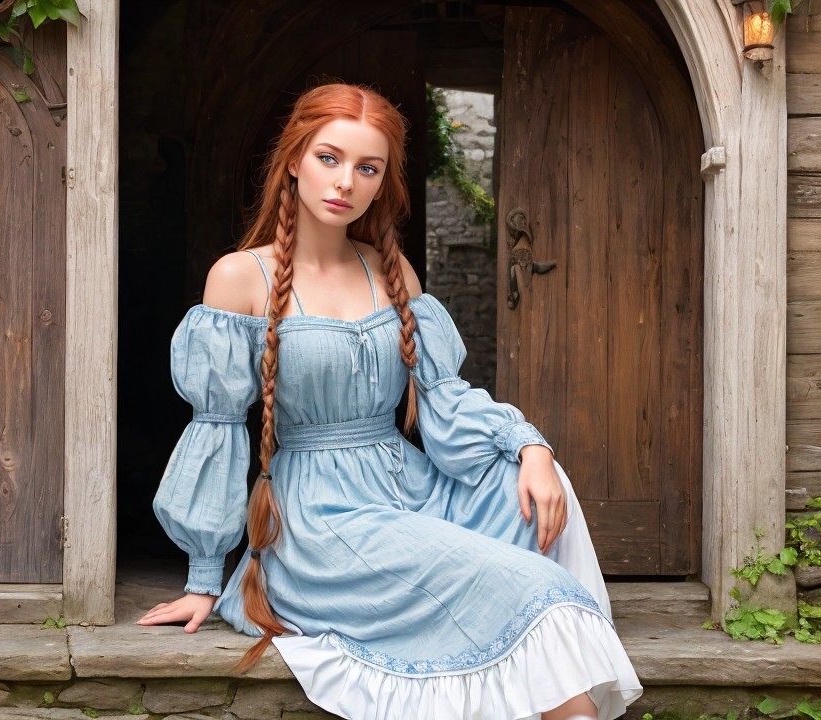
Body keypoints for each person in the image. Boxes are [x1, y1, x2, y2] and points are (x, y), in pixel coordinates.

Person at [137, 83, 642, 720]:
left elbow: (444, 402)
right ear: (294, 160)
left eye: (367, 167)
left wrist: (530, 444)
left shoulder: (392, 272)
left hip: (408, 487)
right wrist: (204, 579)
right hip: (321, 517)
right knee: (536, 588)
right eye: (329, 158)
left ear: (382, 182)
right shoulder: (241, 277)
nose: (345, 180)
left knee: (534, 486)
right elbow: (215, 433)